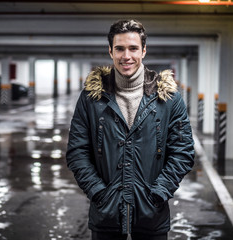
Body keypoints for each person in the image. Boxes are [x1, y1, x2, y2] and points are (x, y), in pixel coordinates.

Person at [66, 19, 195, 240]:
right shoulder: (91, 98)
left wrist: (158, 194)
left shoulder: (169, 99)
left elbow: (182, 153)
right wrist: (98, 192)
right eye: (120, 48)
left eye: (133, 48)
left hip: (152, 215)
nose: (126, 56)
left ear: (143, 51)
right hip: (105, 214)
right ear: (110, 51)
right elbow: (77, 152)